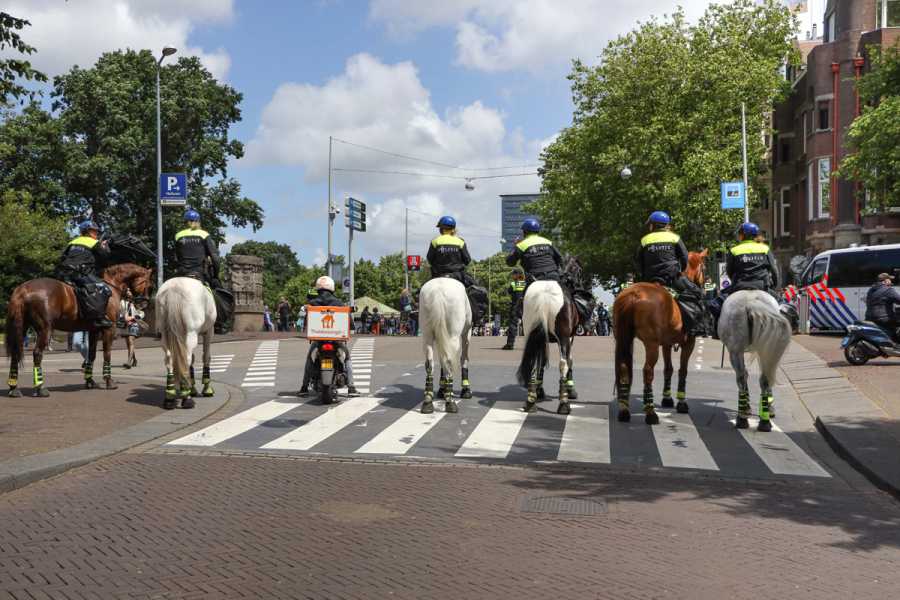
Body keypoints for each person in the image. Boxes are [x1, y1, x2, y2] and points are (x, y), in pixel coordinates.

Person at [634, 211, 705, 336]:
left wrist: (642, 276)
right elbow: (684, 257)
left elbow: (637, 261)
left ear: (652, 226)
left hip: (650, 279)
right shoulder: (675, 237)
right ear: (666, 225)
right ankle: (697, 328)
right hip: (672, 278)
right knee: (697, 294)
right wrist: (680, 271)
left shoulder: (644, 240)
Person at [708, 222, 782, 336]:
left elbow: (729, 271)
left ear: (742, 235)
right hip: (761, 287)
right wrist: (774, 286)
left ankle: (716, 331)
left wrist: (734, 281)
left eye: (740, 234)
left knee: (715, 304)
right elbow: (774, 269)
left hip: (739, 286)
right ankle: (786, 329)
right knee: (782, 305)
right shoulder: (765, 249)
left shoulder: (734, 250)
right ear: (755, 235)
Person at [173, 208, 233, 334]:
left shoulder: (178, 235)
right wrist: (216, 274)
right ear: (198, 221)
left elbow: (176, 257)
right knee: (218, 294)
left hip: (181, 273)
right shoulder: (204, 235)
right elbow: (215, 258)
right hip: (198, 273)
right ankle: (220, 324)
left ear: (185, 222)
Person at [299, 276, 358, 396]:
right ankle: (351, 387)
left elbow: (306, 322)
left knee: (310, 358)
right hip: (335, 340)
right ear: (332, 288)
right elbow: (350, 324)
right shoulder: (339, 303)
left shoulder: (312, 303)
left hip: (319, 340)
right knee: (347, 357)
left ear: (317, 288)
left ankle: (304, 387)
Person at [426, 216, 488, 323]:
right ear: (453, 229)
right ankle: (476, 316)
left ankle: (417, 311)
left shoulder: (435, 241)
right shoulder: (460, 242)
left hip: (438, 275)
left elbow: (429, 259)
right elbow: (467, 260)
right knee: (476, 291)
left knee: (421, 291)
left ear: (441, 229)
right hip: (458, 276)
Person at [55, 220, 113, 328]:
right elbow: (105, 259)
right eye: (94, 231)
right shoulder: (93, 242)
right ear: (87, 231)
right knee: (104, 289)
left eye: (97, 231)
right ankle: (99, 318)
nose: (96, 233)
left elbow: (62, 257)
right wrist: (105, 247)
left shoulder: (72, 242)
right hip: (80, 273)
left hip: (63, 274)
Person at [865, 273, 900, 340]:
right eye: (889, 279)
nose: (891, 281)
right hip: (883, 318)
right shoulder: (888, 290)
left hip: (869, 317)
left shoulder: (871, 290)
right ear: (885, 281)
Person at [502, 267, 527, 350]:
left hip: (515, 306)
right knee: (527, 325)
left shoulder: (513, 284)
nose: (512, 276)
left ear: (517, 275)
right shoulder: (526, 283)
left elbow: (509, 291)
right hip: (525, 307)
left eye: (513, 274)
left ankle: (510, 344)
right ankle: (530, 345)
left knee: (512, 325)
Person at [119, 289, 143, 369]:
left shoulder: (136, 303)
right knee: (128, 344)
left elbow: (141, 313)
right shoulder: (121, 302)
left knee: (130, 341)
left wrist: (135, 317)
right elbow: (120, 314)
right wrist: (124, 318)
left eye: (130, 290)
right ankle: (134, 360)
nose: (128, 291)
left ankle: (129, 362)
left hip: (134, 324)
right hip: (125, 325)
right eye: (127, 290)